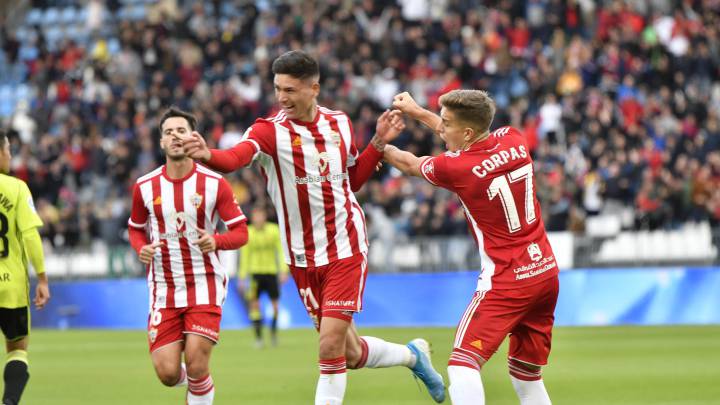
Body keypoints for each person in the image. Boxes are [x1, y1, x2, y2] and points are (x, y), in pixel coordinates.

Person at [183, 50, 445, 404]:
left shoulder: (339, 123)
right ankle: (414, 356)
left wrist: (378, 143)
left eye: (290, 90)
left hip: (346, 245)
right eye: (277, 89)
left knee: (329, 345)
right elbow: (235, 158)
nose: (281, 98)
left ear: (313, 88)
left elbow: (352, 180)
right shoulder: (268, 132)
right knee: (349, 354)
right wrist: (208, 155)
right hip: (303, 257)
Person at [385, 90, 559, 405]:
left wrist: (372, 147)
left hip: (507, 279)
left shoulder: (458, 168)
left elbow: (409, 164)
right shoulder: (513, 138)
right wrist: (416, 111)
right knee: (526, 375)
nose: (442, 130)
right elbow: (465, 137)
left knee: (462, 363)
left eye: (447, 123)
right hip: (544, 271)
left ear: (466, 132)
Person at [127, 108, 249, 405]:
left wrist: (217, 240)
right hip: (164, 289)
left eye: (181, 130)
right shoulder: (145, 186)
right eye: (168, 132)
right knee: (168, 373)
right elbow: (135, 229)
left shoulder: (214, 183)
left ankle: (198, 381)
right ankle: (201, 385)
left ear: (194, 137)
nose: (175, 137)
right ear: (160, 142)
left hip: (204, 284)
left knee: (196, 362)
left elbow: (241, 232)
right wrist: (140, 247)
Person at [0, 130, 50, 405]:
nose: (10, 155)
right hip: (11, 287)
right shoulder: (17, 188)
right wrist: (42, 278)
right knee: (17, 350)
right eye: (7, 150)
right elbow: (30, 235)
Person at [237, 205, 289, 348]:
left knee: (276, 307)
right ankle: (259, 338)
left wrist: (284, 270)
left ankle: (273, 334)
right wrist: (242, 277)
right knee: (254, 306)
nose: (258, 219)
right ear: (252, 218)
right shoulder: (249, 232)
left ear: (264, 217)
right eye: (255, 216)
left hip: (271, 273)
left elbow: (281, 250)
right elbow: (244, 257)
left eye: (260, 215)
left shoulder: (273, 230)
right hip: (255, 275)